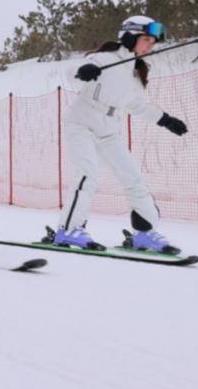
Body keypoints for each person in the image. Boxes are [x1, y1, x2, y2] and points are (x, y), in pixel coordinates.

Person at [46, 15, 189, 254]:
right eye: (146, 39)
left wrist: (165, 119)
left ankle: (144, 232)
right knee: (87, 174)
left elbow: (137, 104)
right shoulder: (105, 58)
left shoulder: (135, 72)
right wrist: (84, 69)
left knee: (133, 177)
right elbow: (71, 70)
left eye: (152, 42)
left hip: (109, 129)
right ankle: (68, 229)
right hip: (82, 123)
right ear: (130, 36)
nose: (149, 46)